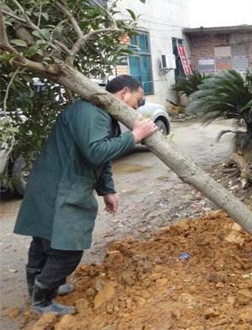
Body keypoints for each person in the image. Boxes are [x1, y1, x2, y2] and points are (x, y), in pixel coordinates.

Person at [13, 75, 158, 315]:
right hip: (60, 187)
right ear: (124, 93)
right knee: (67, 250)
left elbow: (102, 157)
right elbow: (97, 152)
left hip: (53, 183)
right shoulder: (92, 113)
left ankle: (39, 290)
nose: (137, 107)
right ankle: (42, 300)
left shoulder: (99, 113)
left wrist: (108, 190)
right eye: (138, 100)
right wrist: (134, 136)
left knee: (44, 240)